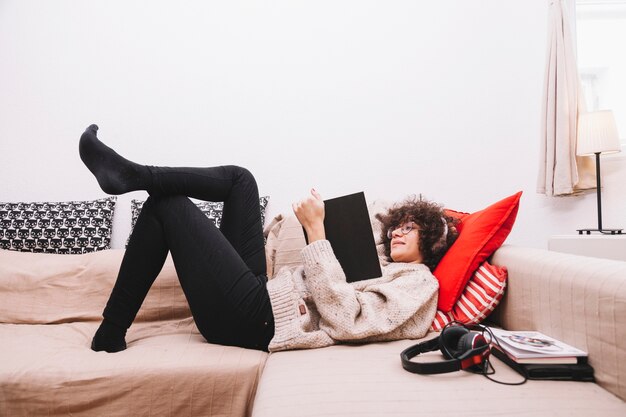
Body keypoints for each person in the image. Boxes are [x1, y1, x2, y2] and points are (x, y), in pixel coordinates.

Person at [79, 124, 458, 353]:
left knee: (170, 206)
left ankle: (112, 327)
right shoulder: (383, 263)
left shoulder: (418, 284)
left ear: (432, 243)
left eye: (411, 228)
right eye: (398, 225)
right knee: (241, 179)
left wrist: (316, 231)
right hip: (262, 295)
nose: (398, 232)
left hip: (259, 322)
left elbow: (346, 319)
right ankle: (134, 174)